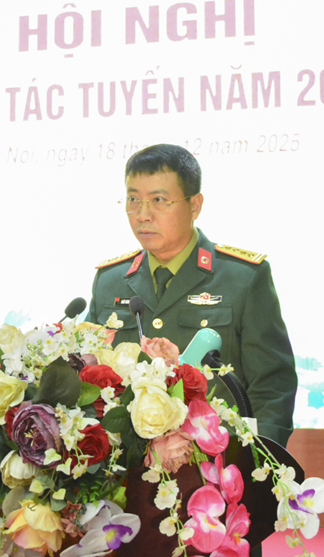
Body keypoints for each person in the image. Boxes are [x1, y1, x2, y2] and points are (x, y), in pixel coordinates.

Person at [88, 143, 297, 447]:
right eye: (133, 199)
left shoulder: (243, 278)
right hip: (128, 468)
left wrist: (256, 463)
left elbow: (273, 387)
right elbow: (91, 378)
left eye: (158, 200)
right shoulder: (109, 281)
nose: (143, 215)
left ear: (195, 205)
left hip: (216, 465)